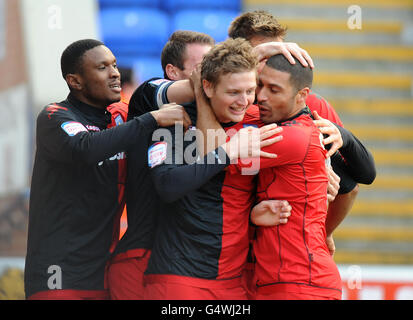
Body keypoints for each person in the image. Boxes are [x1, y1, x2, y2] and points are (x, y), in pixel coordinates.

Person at [24, 39, 191, 300]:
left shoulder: (122, 116)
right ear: (75, 81)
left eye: (114, 65)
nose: (114, 73)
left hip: (106, 272)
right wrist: (152, 118)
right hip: (57, 273)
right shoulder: (55, 116)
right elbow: (85, 148)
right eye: (102, 67)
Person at [143, 38, 290, 300]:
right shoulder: (176, 120)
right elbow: (167, 186)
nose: (244, 101)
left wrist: (340, 139)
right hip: (180, 279)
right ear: (207, 87)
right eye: (233, 92)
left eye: (249, 91)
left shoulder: (257, 124)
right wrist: (228, 151)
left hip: (235, 283)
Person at [106, 30, 215, 300]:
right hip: (142, 259)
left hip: (191, 265)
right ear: (173, 71)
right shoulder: (149, 94)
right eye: (205, 66)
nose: (215, 72)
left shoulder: (222, 116)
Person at [240, 54, 342, 299]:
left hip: (301, 281)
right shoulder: (285, 125)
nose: (261, 96)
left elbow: (212, 159)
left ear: (301, 96)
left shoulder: (291, 138)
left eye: (274, 90)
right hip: (284, 279)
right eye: (260, 85)